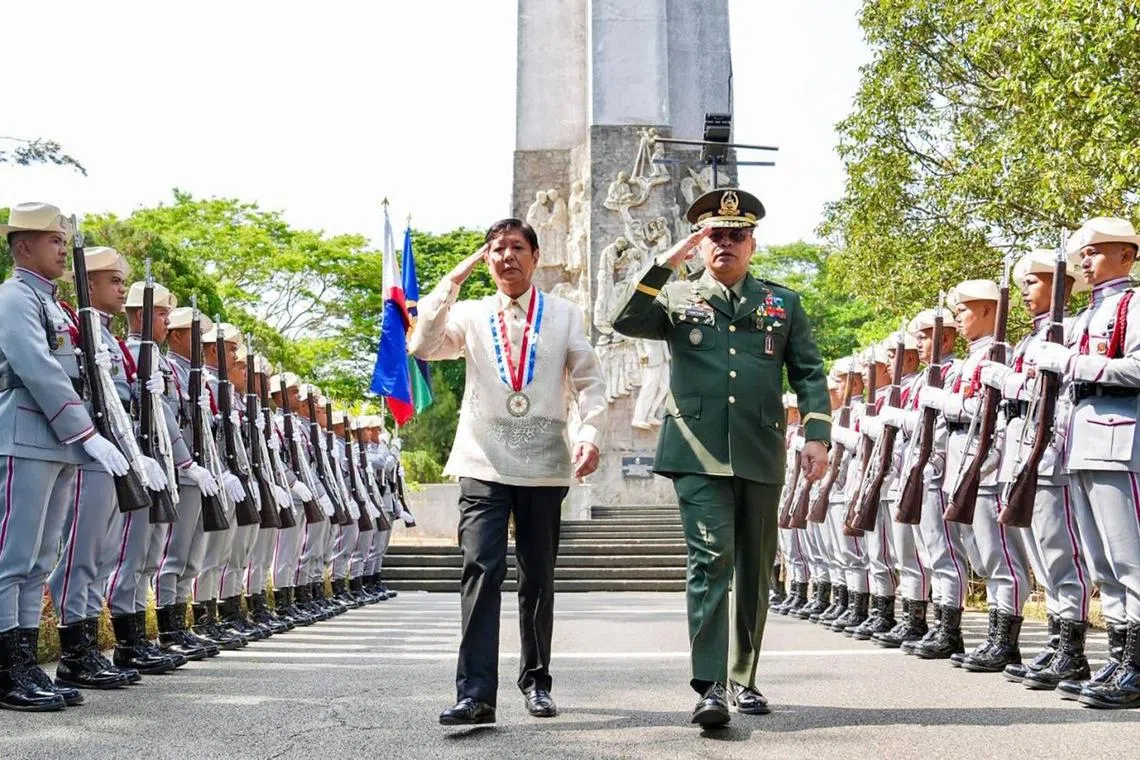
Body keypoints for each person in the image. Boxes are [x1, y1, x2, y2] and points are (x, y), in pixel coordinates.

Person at [611, 188, 831, 727]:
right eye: (714, 236)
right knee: (711, 562)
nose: (725, 244)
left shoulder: (784, 304)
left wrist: (818, 435)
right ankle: (709, 686)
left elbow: (808, 373)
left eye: (736, 236)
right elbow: (622, 318)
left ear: (753, 243)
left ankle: (743, 678)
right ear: (700, 243)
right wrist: (666, 263)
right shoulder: (676, 296)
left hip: (758, 451)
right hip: (695, 452)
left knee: (755, 570)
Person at [409, 217, 606, 727]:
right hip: (482, 461)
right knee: (480, 569)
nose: (506, 257)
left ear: (536, 257)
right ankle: (475, 693)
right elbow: (422, 345)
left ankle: (537, 682)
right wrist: (451, 282)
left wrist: (590, 434)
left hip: (544, 464)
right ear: (487, 259)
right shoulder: (470, 314)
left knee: (537, 576)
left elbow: (588, 382)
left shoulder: (563, 315)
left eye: (517, 247)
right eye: (496, 249)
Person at [0, 204, 128, 711]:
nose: (60, 247)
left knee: (37, 562)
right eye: (52, 239)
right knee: (11, 558)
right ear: (23, 246)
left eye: (62, 239)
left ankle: (25, 664)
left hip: (56, 444)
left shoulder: (54, 306)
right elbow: (35, 365)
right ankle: (7, 670)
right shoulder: (14, 297)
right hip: (23, 436)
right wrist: (86, 430)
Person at [1031, 217, 1140, 709]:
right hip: (1078, 444)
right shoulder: (1084, 316)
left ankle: (1137, 664)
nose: (1087, 263)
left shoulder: (1133, 305)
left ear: (1127, 256)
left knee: (1130, 560)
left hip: (1120, 444)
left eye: (1096, 253)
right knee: (1103, 564)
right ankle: (1120, 656)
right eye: (1084, 254)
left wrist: (1072, 363)